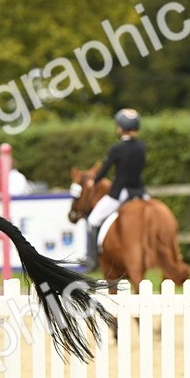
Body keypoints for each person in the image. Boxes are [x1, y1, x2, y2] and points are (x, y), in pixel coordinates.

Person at [82, 108, 147, 269]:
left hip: (120, 193)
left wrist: (93, 182)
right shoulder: (142, 147)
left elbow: (105, 169)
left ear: (120, 128)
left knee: (93, 220)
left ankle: (93, 258)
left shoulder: (117, 149)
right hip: (140, 192)